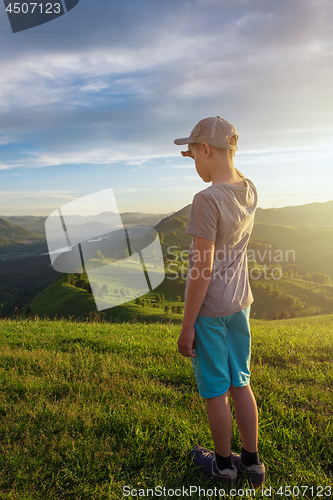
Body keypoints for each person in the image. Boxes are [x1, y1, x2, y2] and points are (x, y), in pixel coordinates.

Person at [174, 117, 265, 486]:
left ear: (207, 150)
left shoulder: (206, 199)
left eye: (194, 154)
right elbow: (231, 167)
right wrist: (220, 153)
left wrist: (186, 325)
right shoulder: (249, 188)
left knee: (215, 390)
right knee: (240, 382)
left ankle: (224, 466)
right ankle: (253, 461)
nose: (193, 162)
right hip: (240, 303)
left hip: (211, 310)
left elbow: (201, 267)